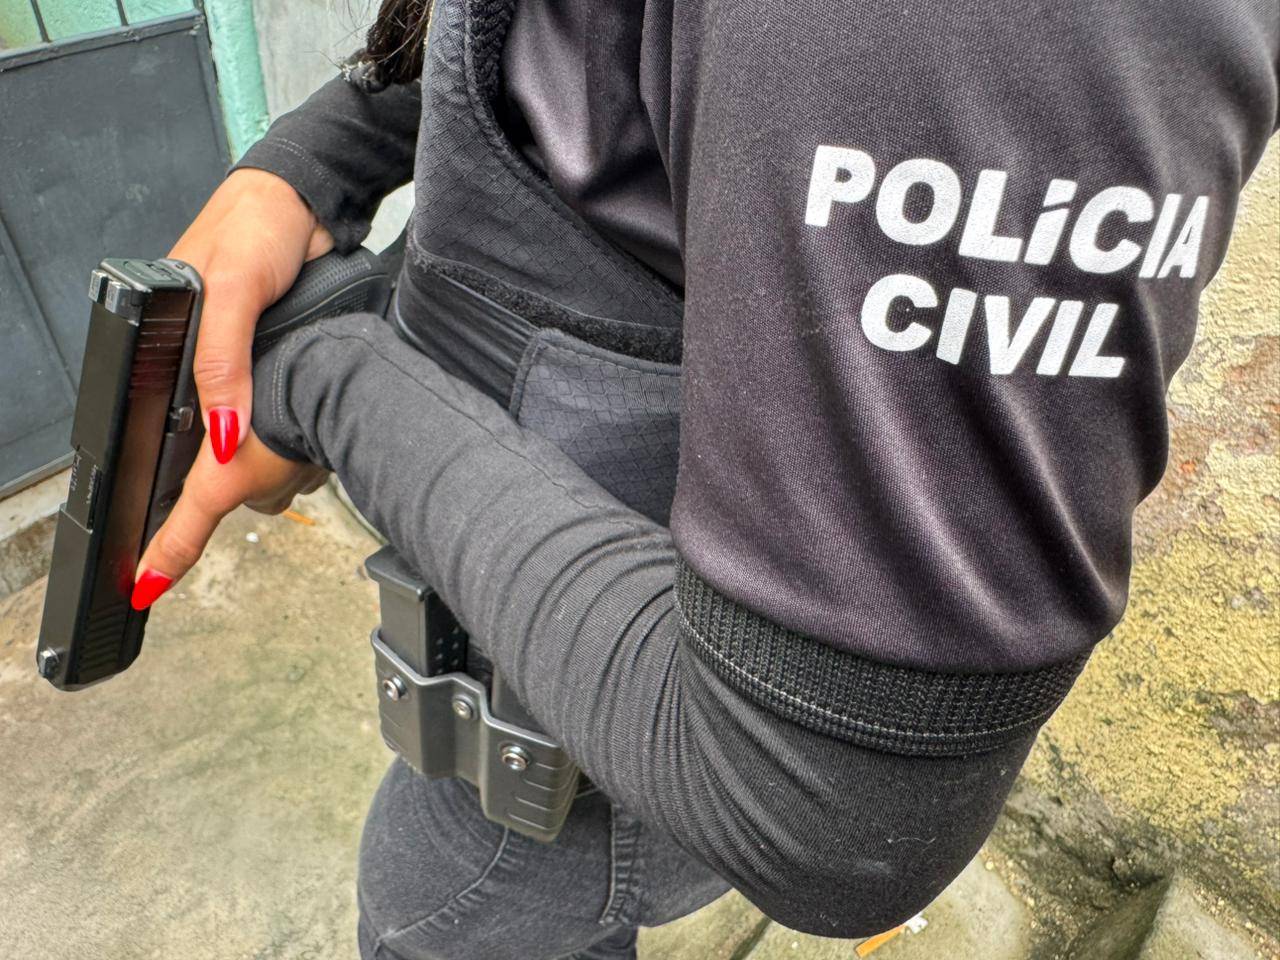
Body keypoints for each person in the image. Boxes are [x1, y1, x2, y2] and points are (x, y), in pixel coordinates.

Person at [130, 0, 1279, 957]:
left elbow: (833, 819)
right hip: (518, 665)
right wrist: (318, 156)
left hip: (585, 747)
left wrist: (324, 376)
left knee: (436, 913)